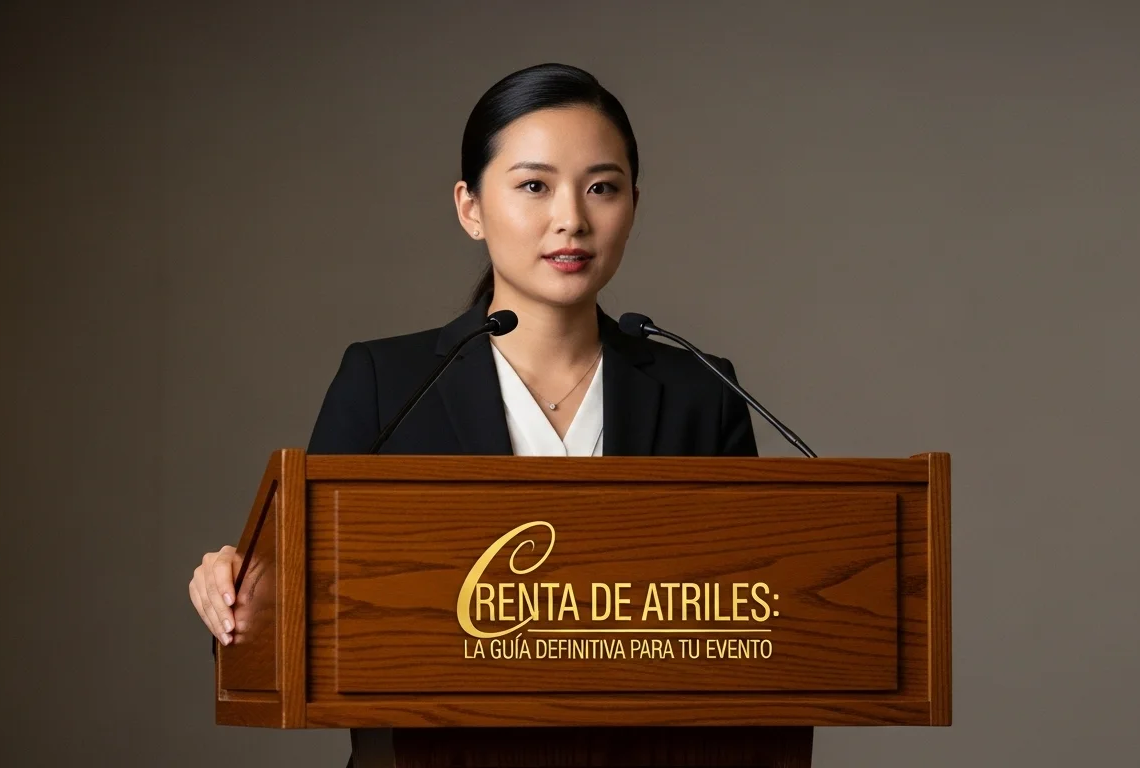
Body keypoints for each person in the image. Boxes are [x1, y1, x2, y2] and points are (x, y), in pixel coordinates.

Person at [186, 62, 759, 766]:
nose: (571, 219)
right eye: (534, 186)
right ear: (471, 208)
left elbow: (754, 619)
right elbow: (285, 624)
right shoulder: (387, 382)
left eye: (601, 188)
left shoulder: (702, 391)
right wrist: (237, 590)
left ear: (633, 206)